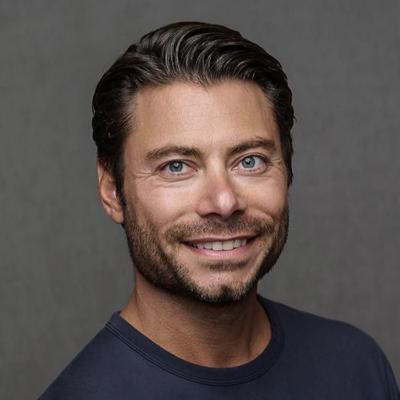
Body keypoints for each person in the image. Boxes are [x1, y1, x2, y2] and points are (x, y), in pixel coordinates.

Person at [39, 21, 399, 399]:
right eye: (176, 166)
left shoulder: (356, 367)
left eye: (250, 161)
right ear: (112, 190)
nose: (224, 202)